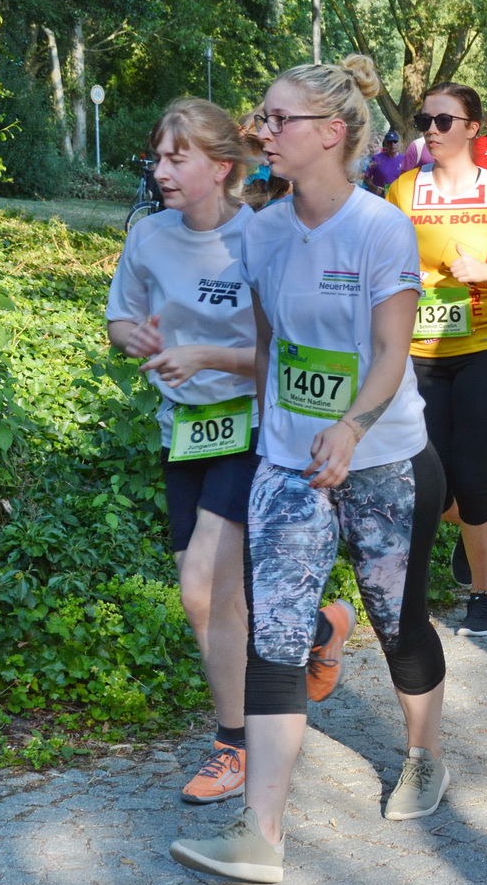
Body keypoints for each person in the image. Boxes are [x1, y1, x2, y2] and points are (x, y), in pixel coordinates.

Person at [168, 54, 449, 884]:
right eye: (262, 115)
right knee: (278, 634)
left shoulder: (380, 227)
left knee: (398, 625)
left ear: (332, 133)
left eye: (278, 119)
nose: (262, 130)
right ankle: (263, 833)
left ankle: (425, 752)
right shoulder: (262, 230)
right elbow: (271, 350)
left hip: (382, 458)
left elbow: (394, 351)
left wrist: (354, 427)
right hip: (289, 461)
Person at [108, 98, 353, 806]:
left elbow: (287, 353)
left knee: (202, 589)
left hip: (252, 430)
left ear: (220, 168)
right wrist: (138, 340)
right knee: (212, 596)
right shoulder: (148, 238)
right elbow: (120, 319)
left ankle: (233, 743)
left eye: (174, 158)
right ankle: (319, 624)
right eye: (156, 157)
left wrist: (208, 353)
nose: (160, 171)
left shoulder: (266, 238)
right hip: (183, 433)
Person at [385, 82, 487, 638]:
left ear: (473, 129)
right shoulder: (402, 191)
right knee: (429, 484)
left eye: (444, 121)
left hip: (485, 349)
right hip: (419, 353)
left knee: (471, 480)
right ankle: (476, 542)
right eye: (425, 119)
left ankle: (485, 591)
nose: (431, 129)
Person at [365, 130, 404, 195]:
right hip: (380, 199)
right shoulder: (376, 159)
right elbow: (366, 179)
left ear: (398, 144)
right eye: (389, 142)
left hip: (397, 198)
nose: (392, 145)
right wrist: (375, 188)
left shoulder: (404, 160)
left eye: (395, 142)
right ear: (384, 144)